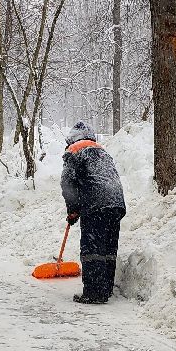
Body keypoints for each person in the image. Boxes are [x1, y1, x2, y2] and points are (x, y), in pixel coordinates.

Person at [61, 122, 127, 304]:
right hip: (116, 204)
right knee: (108, 248)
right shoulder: (103, 152)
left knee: (92, 249)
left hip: (95, 204)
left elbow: (67, 184)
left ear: (72, 139)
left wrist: (73, 210)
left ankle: (94, 293)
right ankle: (105, 289)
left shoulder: (74, 151)